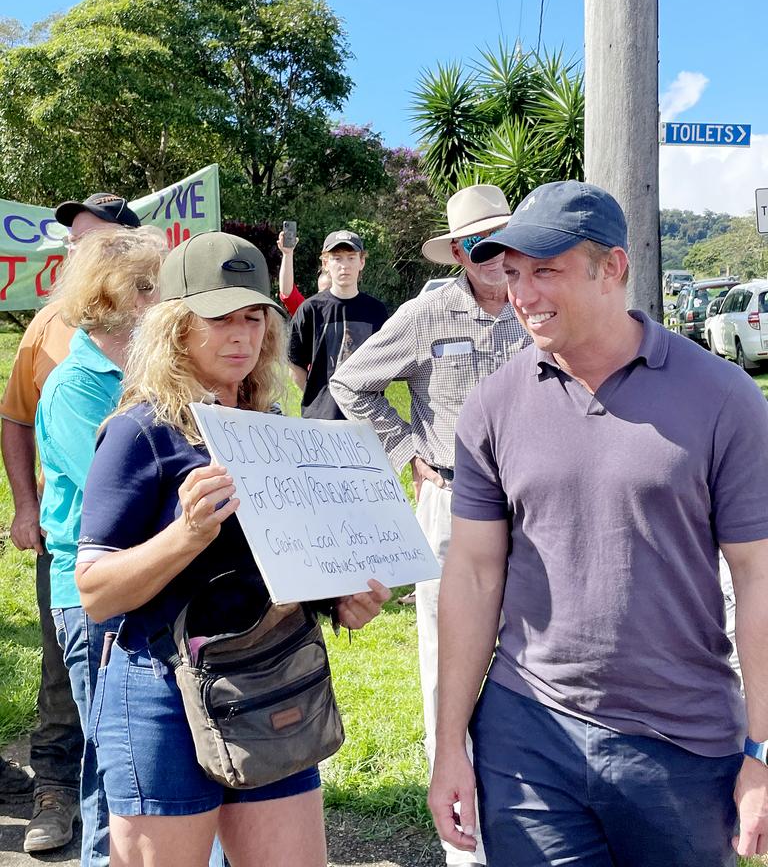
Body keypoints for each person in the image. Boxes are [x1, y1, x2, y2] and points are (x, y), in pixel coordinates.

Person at [429, 179, 768, 867]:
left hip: (682, 746)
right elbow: (471, 574)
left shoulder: (722, 397)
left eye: (546, 271)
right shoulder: (493, 405)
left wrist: (761, 753)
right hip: (527, 739)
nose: (522, 293)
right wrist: (449, 747)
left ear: (612, 268)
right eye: (513, 272)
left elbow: (759, 576)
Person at [74, 231, 390, 866]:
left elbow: (282, 560)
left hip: (268, 681)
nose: (242, 336)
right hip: (162, 689)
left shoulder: (272, 431)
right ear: (175, 327)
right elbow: (96, 591)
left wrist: (340, 598)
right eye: (219, 319)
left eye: (253, 318)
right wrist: (186, 535)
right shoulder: (139, 432)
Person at [330, 185, 529, 867]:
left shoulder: (540, 303)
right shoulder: (428, 312)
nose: (495, 258)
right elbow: (351, 383)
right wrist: (407, 453)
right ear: (458, 253)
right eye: (479, 246)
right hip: (452, 499)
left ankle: (530, 812)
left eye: (504, 240)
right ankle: (463, 844)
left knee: (537, 660)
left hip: (537, 507)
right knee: (450, 666)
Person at [0, 191, 140, 853]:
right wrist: (26, 506)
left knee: (119, 708)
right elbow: (16, 416)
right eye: (72, 240)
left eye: (92, 239)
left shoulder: (161, 327)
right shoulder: (52, 329)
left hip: (144, 546)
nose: (73, 249)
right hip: (76, 537)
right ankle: (53, 795)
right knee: (67, 670)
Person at [35, 227, 165, 867]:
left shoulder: (144, 375)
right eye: (148, 288)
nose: (162, 301)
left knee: (138, 766)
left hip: (144, 585)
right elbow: (115, 496)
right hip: (93, 600)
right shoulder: (76, 386)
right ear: (109, 298)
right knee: (115, 769)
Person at [288, 229, 387, 419]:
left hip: (367, 418)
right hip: (321, 420)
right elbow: (295, 364)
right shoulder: (310, 309)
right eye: (337, 258)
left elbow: (384, 363)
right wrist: (320, 398)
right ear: (325, 263)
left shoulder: (376, 311)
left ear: (362, 262)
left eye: (351, 258)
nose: (345, 266)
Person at [277, 229, 330, 315]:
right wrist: (287, 254)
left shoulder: (357, 311)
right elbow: (288, 294)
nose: (325, 298)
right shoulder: (311, 314)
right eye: (322, 293)